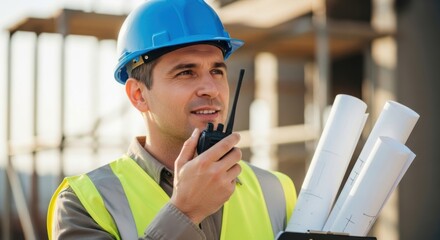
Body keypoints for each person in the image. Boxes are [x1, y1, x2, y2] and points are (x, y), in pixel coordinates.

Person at [47, 0, 297, 239]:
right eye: (186, 72)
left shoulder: (277, 192)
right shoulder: (84, 204)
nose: (211, 88)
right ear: (138, 95)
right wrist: (184, 213)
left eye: (216, 71)